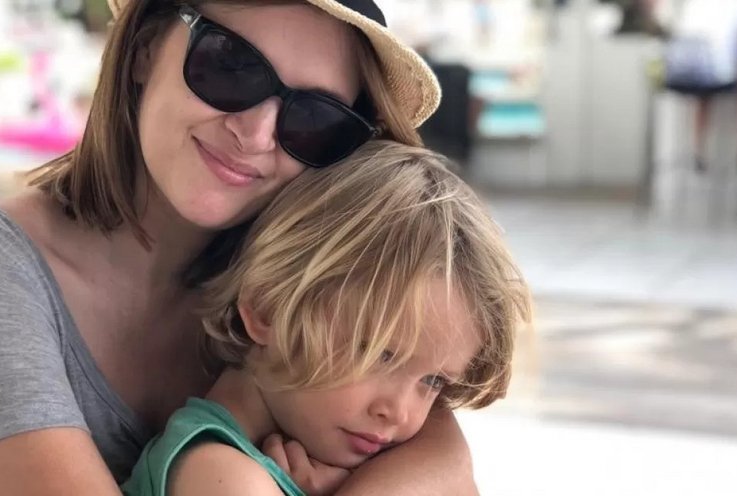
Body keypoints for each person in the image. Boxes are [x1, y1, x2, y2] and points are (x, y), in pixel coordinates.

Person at [0, 0, 477, 494]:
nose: (256, 132)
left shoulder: (304, 292)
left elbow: (442, 457)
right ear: (142, 49)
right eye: (230, 67)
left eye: (314, 117)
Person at [121, 140, 533, 496]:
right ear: (267, 308)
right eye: (379, 354)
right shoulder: (222, 477)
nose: (399, 412)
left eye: (433, 381)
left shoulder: (331, 456)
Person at [665, 0, 737, 173]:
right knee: (711, 95)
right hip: (712, 69)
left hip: (711, 68)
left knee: (713, 95)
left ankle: (703, 152)